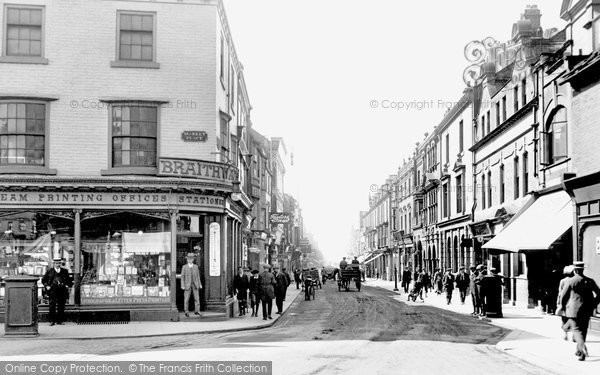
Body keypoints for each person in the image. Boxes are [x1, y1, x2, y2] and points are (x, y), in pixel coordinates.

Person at [557, 261, 600, 361]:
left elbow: (563, 296)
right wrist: (593, 304)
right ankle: (580, 352)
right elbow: (599, 293)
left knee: (576, 330)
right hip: (587, 309)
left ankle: (582, 349)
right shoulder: (590, 281)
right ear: (582, 269)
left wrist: (562, 307)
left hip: (573, 310)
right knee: (583, 330)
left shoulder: (570, 281)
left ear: (575, 270)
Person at [42, 258, 73, 326]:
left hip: (61, 290)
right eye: (56, 263)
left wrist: (67, 285)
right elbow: (44, 280)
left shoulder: (65, 271)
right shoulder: (49, 271)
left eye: (59, 263)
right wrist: (47, 286)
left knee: (61, 305)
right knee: (52, 305)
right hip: (53, 290)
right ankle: (52, 321)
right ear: (54, 264)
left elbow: (68, 280)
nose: (58, 265)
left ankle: (60, 320)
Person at [181, 253, 202, 317]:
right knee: (186, 299)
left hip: (195, 284)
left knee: (197, 298)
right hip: (187, 285)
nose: (190, 260)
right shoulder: (184, 267)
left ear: (193, 260)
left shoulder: (195, 266)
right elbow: (182, 277)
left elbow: (198, 276)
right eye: (189, 259)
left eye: (191, 259)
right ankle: (186, 311)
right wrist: (182, 285)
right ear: (187, 260)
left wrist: (200, 284)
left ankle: (197, 311)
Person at [557, 265, 574, 340]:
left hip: (564, 302)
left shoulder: (562, 281)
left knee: (564, 318)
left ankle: (565, 334)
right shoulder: (573, 280)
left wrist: (558, 303)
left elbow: (560, 293)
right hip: (572, 302)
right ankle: (574, 334)